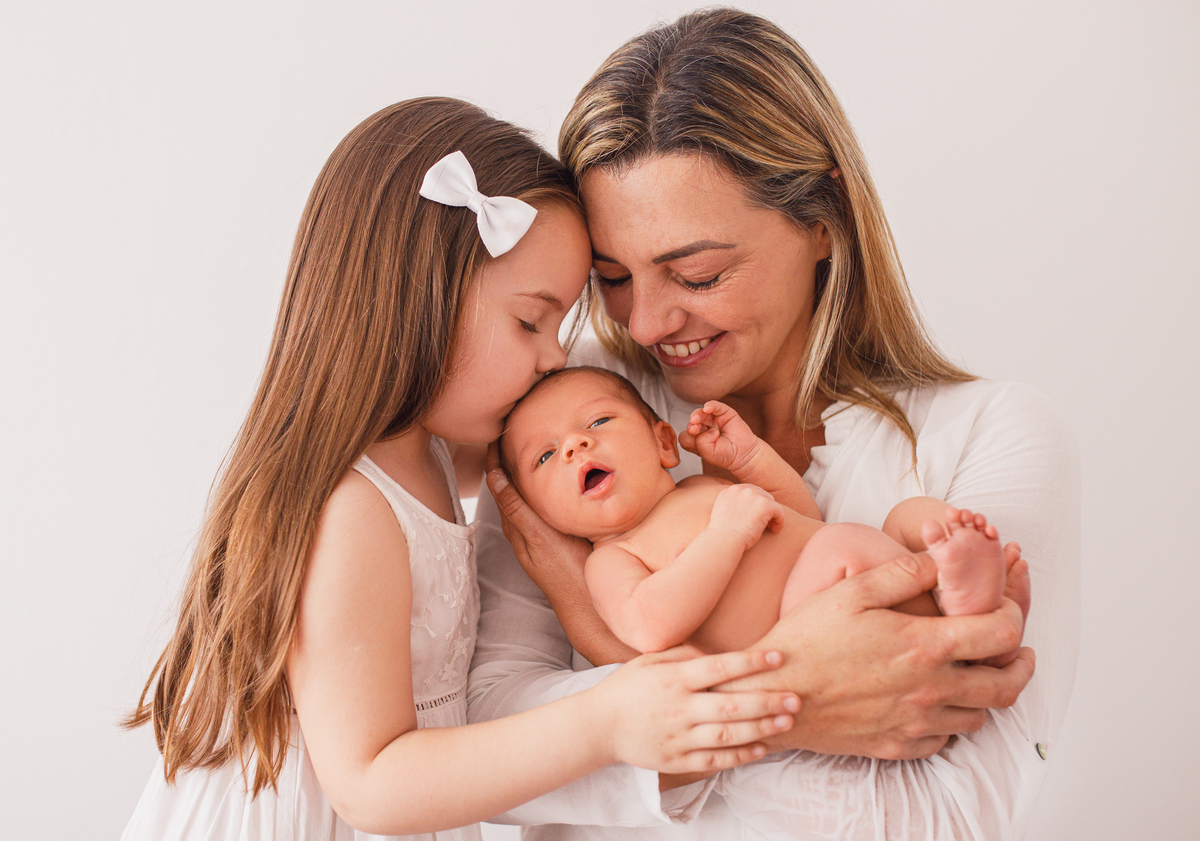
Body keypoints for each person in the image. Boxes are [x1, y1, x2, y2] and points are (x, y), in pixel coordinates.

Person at [120, 97, 805, 841]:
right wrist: (604, 721)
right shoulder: (354, 507)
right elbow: (373, 784)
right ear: (421, 299)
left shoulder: (439, 451)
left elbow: (568, 475)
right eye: (529, 321)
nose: (554, 357)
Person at [468, 8, 1079, 840]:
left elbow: (939, 817)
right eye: (612, 278)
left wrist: (610, 670)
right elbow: (472, 748)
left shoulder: (992, 433)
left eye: (700, 272)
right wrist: (810, 692)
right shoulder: (567, 414)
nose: (645, 323)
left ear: (823, 219)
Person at [499, 365, 1017, 657]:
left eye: (598, 421)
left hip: (848, 569)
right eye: (545, 457)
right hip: (808, 637)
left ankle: (959, 580)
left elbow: (797, 518)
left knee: (911, 514)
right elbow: (649, 627)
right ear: (542, 514)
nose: (574, 447)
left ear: (664, 443)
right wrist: (725, 535)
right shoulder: (612, 559)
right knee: (840, 545)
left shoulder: (702, 485)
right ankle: (963, 607)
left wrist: (749, 460)